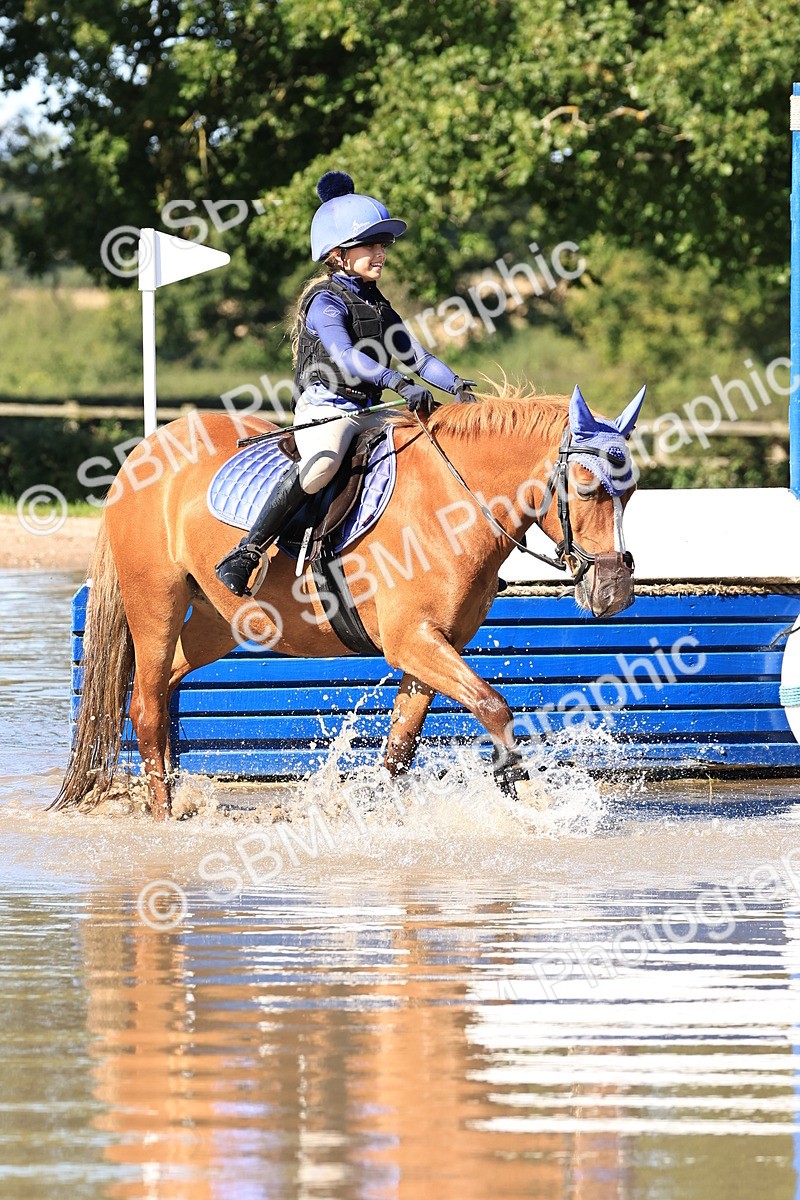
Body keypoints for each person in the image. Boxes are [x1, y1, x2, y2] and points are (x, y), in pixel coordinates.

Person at [215, 170, 475, 597]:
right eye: (369, 246)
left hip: (370, 410)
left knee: (438, 444)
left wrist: (458, 387)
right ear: (337, 253)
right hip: (329, 409)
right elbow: (347, 357)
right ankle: (246, 551)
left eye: (382, 245)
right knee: (321, 467)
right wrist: (397, 381)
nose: (380, 254)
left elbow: (419, 358)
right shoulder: (324, 301)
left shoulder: (378, 303)